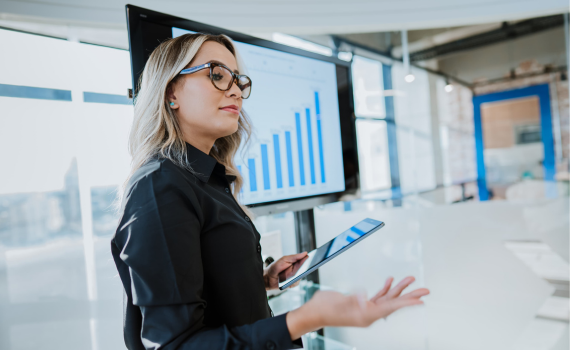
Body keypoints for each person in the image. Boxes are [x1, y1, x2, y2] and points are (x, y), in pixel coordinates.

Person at [110, 33, 430, 350]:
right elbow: (176, 345)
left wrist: (256, 278)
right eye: (217, 75)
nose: (235, 90)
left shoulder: (206, 178)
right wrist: (305, 318)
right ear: (170, 93)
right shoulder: (159, 187)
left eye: (238, 80)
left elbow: (199, 283)